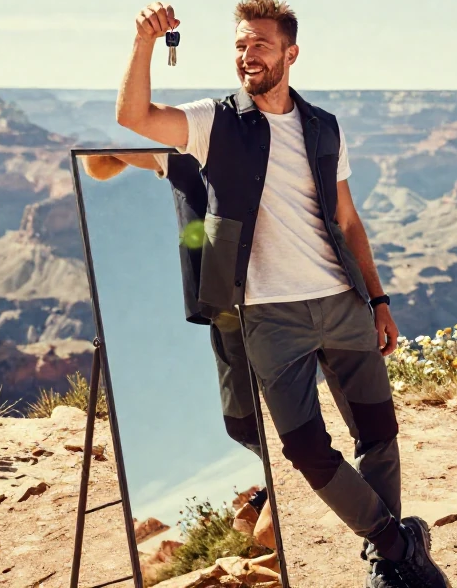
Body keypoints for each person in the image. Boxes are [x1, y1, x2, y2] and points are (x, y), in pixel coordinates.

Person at [112, 0, 451, 588]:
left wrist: (378, 300)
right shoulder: (214, 122)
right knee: (304, 448)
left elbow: (347, 219)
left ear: (290, 53)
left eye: (261, 44)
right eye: (240, 44)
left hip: (343, 303)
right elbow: (135, 118)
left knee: (379, 436)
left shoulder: (323, 127)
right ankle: (396, 543)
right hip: (270, 319)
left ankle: (389, 568)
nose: (248, 55)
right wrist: (143, 42)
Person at [82, 150, 359, 547]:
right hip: (253, 297)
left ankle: (333, 503)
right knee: (250, 421)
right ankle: (305, 495)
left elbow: (97, 166)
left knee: (266, 421)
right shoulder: (188, 143)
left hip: (272, 294)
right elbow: (97, 165)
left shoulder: (202, 145)